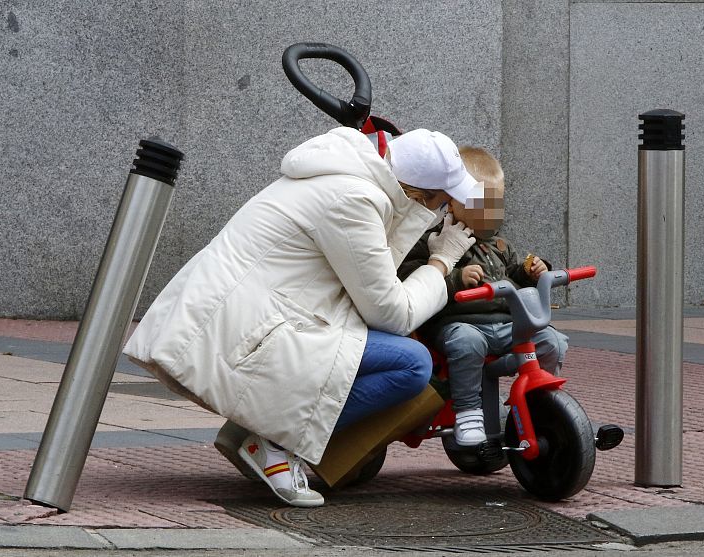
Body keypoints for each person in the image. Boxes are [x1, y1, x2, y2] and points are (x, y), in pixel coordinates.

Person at [124, 127, 480, 507]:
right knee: (411, 364)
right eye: (440, 203)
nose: (440, 212)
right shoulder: (353, 198)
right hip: (252, 329)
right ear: (417, 193)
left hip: (257, 316)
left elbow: (369, 281)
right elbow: (392, 313)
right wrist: (441, 261)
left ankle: (255, 430)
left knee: (387, 353)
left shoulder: (347, 174)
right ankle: (274, 439)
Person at [397, 146, 569, 447]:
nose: (490, 213)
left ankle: (541, 404)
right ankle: (468, 412)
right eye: (480, 204)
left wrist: (531, 271)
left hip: (505, 326)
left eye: (495, 204)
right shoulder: (431, 240)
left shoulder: (499, 245)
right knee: (467, 342)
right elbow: (411, 278)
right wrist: (455, 277)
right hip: (458, 324)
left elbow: (512, 273)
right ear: (452, 203)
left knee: (550, 341)